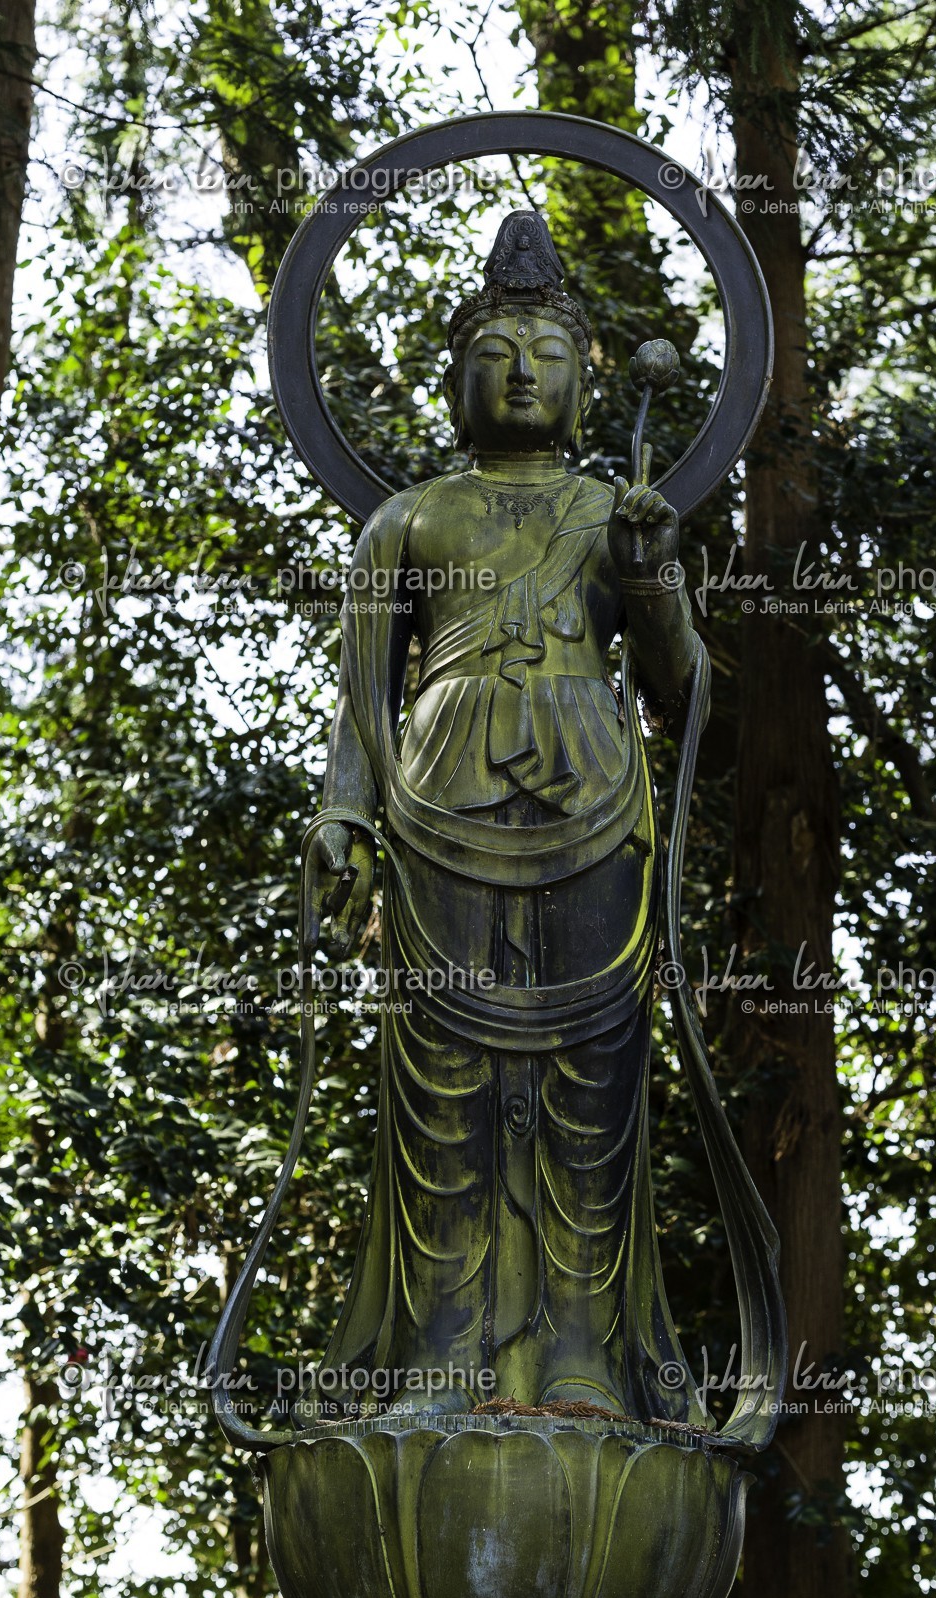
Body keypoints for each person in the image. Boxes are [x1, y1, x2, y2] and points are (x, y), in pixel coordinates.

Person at [298, 210, 709, 1426]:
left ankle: (580, 1354)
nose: (521, 370)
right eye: (494, 351)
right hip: (436, 801)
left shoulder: (613, 515)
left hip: (592, 792)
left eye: (545, 350)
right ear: (453, 381)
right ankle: (438, 1354)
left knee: (594, 1080)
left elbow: (686, 696)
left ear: (586, 382)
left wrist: (652, 579)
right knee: (446, 1080)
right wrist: (341, 814)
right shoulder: (408, 520)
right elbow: (360, 700)